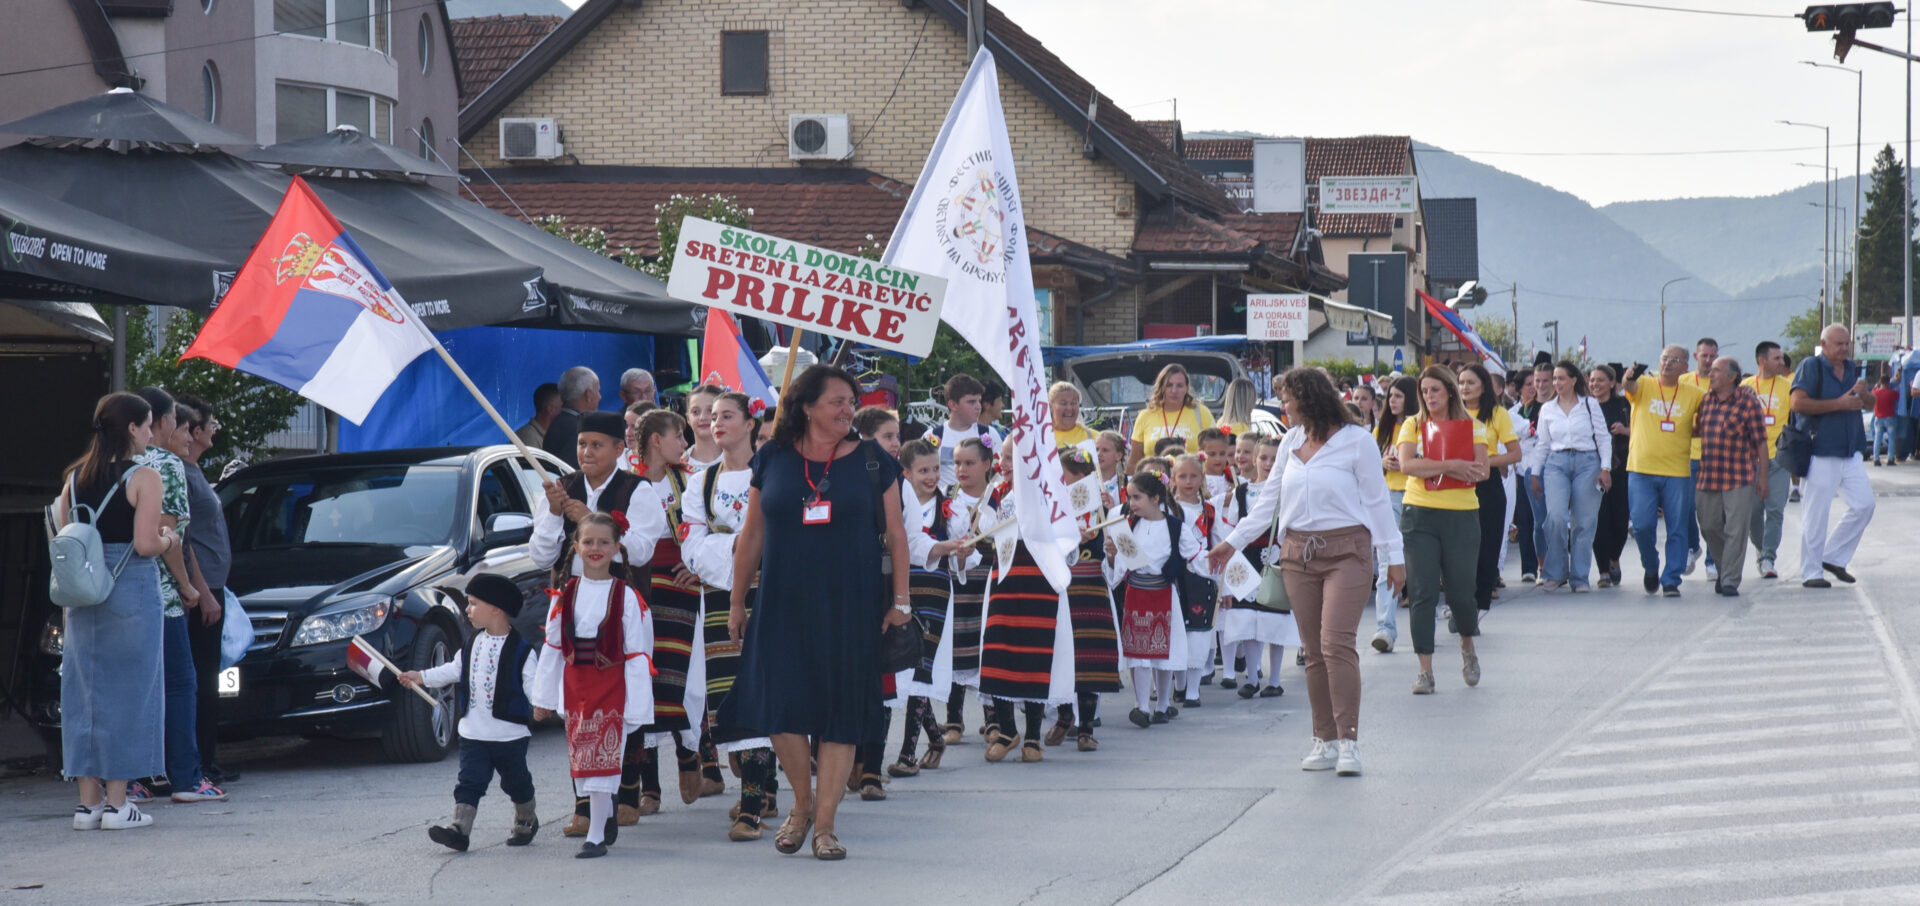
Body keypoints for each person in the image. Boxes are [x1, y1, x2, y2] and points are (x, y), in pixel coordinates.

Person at [722, 364, 911, 861]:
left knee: (841, 712)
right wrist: (737, 600)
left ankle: (825, 824)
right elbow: (752, 535)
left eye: (852, 401)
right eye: (838, 401)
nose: (849, 409)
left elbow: (896, 534)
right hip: (782, 600)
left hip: (851, 603)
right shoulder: (773, 457)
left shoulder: (873, 460)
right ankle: (801, 805)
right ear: (806, 407)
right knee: (781, 705)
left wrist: (901, 601)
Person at [1208, 368, 1402, 777]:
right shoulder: (1291, 441)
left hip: (1348, 551)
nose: (1283, 406)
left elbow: (1378, 502)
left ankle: (1349, 742)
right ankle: (1324, 740)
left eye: (1288, 398)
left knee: (1337, 644)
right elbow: (1267, 503)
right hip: (1296, 554)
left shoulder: (1357, 441)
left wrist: (1394, 557)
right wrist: (1232, 543)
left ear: (1309, 398)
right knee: (1313, 651)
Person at [530, 410, 666, 834]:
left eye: (597, 445)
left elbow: (641, 551)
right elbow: (540, 555)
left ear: (619, 449)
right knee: (580, 703)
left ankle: (626, 791)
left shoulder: (636, 489)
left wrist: (587, 517)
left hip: (620, 603)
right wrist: (555, 515)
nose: (587, 452)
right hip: (572, 606)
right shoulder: (560, 489)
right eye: (582, 444)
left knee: (621, 698)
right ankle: (584, 803)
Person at [55, 393, 173, 831]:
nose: (149, 433)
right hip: (130, 588)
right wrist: (169, 540)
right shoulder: (145, 477)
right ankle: (120, 804)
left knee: (84, 695)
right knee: (129, 692)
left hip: (83, 591)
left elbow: (69, 536)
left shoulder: (74, 478)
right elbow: (145, 544)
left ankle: (87, 806)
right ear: (131, 429)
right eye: (146, 425)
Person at [679, 392, 783, 841]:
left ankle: (754, 805)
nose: (716, 423)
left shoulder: (776, 473)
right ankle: (760, 789)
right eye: (711, 416)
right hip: (723, 594)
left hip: (777, 593)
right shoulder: (700, 483)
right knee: (731, 693)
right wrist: (740, 554)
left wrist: (758, 550)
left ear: (750, 423)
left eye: (727, 416)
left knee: (768, 689)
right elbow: (692, 545)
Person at [530, 513, 655, 859]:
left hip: (611, 685)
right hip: (576, 687)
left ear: (617, 548)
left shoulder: (626, 596)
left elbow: (636, 652)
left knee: (603, 760)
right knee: (584, 761)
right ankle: (606, 816)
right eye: (588, 542)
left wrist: (638, 703)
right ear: (576, 547)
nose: (595, 548)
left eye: (603, 542)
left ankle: (596, 834)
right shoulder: (564, 594)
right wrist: (543, 697)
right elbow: (554, 648)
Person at [130, 387, 224, 805]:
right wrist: (188, 586)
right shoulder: (166, 466)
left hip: (115, 595)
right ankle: (186, 776)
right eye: (174, 421)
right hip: (161, 596)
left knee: (130, 688)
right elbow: (170, 538)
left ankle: (128, 779)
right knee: (182, 685)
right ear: (161, 421)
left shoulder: (101, 465)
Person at [401, 574, 541, 852]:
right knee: (469, 781)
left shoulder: (522, 650)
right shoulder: (472, 643)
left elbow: (533, 685)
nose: (467, 609)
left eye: (474, 603)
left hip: (509, 735)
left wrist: (541, 705)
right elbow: (454, 670)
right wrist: (421, 676)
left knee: (516, 781)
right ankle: (459, 830)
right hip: (473, 732)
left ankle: (526, 818)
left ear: (497, 609)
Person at [628, 409, 706, 809]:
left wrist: (695, 566)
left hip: (679, 586)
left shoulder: (689, 482)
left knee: (675, 680)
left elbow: (704, 531)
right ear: (656, 440)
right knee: (642, 676)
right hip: (637, 587)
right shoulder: (625, 481)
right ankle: (649, 784)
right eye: (679, 435)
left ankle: (687, 750)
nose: (684, 443)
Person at [1394, 366, 1489, 696]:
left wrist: (1438, 465)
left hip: (1461, 515)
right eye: (1424, 391)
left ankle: (1467, 646)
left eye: (1435, 390)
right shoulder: (1413, 425)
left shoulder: (1472, 427)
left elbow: (1481, 471)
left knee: (1462, 592)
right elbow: (1407, 465)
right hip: (1418, 513)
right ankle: (1425, 670)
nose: (1429, 397)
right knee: (1422, 592)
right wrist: (1450, 465)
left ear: (1449, 391)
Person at [891, 438, 966, 774]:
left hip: (934, 588)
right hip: (901, 587)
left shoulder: (950, 508)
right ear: (905, 473)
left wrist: (960, 552)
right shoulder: (896, 504)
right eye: (923, 470)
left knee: (921, 664)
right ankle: (935, 738)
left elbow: (966, 555)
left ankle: (908, 754)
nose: (932, 476)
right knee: (905, 664)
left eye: (936, 468)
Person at [171, 395, 235, 786]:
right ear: (194, 431)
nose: (213, 432)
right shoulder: (178, 472)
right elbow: (184, 538)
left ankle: (205, 758)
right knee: (199, 680)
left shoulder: (194, 472)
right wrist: (202, 590)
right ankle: (197, 763)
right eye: (209, 425)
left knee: (208, 679)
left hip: (212, 586)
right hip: (201, 591)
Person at [1107, 471, 1197, 727]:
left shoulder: (1175, 526)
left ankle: (1163, 704)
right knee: (1139, 652)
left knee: (1162, 653)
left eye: (1137, 497)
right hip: (1137, 592)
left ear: (1155, 497)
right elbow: (1121, 567)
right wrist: (1112, 556)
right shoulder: (1129, 526)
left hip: (1163, 594)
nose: (1132, 503)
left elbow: (1195, 555)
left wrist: (1215, 569)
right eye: (1130, 497)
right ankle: (1142, 706)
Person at [1793, 325, 1877, 589]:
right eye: (1838, 344)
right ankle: (1811, 572)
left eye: (1846, 344)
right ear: (1824, 343)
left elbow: (1871, 405)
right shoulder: (1811, 367)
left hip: (1850, 450)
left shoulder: (1851, 368)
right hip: (1820, 450)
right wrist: (1838, 404)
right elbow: (1797, 403)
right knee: (1816, 514)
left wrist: (1864, 395)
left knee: (1864, 505)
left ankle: (1833, 556)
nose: (1843, 349)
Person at [1624, 347, 1705, 597]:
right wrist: (1629, 376)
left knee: (1677, 526)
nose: (1668, 364)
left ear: (1685, 366)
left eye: (1675, 360)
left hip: (1677, 470)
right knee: (1642, 526)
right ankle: (1651, 566)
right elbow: (1629, 387)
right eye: (1664, 359)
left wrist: (1686, 432)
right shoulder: (1645, 385)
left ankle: (1671, 578)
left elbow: (1702, 426)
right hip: (1641, 468)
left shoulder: (1696, 394)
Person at [1525, 363, 1612, 591]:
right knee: (1555, 517)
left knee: (1584, 521)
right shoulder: (1548, 409)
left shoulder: (1589, 404)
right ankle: (1556, 572)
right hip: (1556, 463)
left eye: (1561, 378)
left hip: (1587, 462)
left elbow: (1603, 437)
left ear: (1574, 380)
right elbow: (1542, 444)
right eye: (1554, 379)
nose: (1556, 383)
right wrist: (1535, 473)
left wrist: (1605, 468)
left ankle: (1580, 577)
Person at [1216, 435, 1292, 696]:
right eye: (1264, 458)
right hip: (1246, 557)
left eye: (1274, 458)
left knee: (1274, 618)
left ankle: (1274, 680)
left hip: (1274, 555)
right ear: (1254, 459)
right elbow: (1234, 526)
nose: (1269, 463)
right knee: (1247, 618)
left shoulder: (1286, 489)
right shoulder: (1241, 491)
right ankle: (1252, 676)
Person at [1056, 449, 1121, 751]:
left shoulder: (1104, 512)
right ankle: (1064, 714)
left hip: (1093, 588)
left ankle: (1086, 728)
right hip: (1064, 589)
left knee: (1089, 660)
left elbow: (1117, 562)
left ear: (1080, 479)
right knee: (1062, 656)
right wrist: (1070, 541)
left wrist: (1110, 553)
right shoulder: (1054, 511)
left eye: (1063, 475)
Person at [1693, 357, 1769, 597]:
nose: (1711, 373)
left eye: (1716, 370)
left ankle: (1729, 580)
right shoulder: (1706, 401)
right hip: (1709, 475)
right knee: (1708, 526)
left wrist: (1763, 477)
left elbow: (1761, 442)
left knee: (1736, 529)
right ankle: (1724, 566)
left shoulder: (1748, 402)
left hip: (1739, 476)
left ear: (1731, 377)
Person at [938, 437, 996, 746]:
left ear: (987, 465)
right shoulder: (947, 497)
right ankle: (953, 719)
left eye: (969, 463)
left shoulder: (998, 498)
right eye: (958, 462)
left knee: (986, 647)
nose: (961, 469)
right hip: (957, 583)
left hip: (988, 581)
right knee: (956, 648)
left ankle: (992, 719)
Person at [1459, 366, 1519, 615]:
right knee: (1460, 548)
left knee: (1487, 545)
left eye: (1470, 382)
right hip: (1456, 484)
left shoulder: (1497, 414)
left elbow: (1515, 453)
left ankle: (1478, 605)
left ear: (1483, 385)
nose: (1465, 387)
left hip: (1488, 483)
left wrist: (1485, 462)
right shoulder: (1452, 414)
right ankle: (1460, 602)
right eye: (1461, 382)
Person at [1168, 454, 1222, 708]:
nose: (1188, 481)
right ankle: (1178, 685)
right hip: (1176, 575)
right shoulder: (1169, 510)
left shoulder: (1209, 510)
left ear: (1202, 478)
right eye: (1182, 476)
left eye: (1193, 476)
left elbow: (1220, 543)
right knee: (1177, 630)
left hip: (1202, 577)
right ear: (1173, 479)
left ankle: (1192, 690)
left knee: (1199, 632)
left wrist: (1225, 584)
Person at [1370, 376, 1419, 652]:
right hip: (1388, 498)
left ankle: (1426, 622)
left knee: (1419, 566)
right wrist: (1382, 462)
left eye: (1398, 396)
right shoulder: (1383, 429)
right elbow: (1368, 463)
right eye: (1390, 396)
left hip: (1417, 498)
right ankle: (1385, 628)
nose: (1392, 401)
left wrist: (1408, 463)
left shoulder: (1421, 426)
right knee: (1386, 565)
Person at [1742, 343, 1792, 580]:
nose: (1781, 362)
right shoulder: (1745, 387)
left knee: (1775, 510)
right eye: (1776, 358)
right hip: (1750, 460)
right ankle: (1760, 547)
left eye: (1780, 358)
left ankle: (1768, 557)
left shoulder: (1788, 387)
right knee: (1752, 512)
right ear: (1762, 360)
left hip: (1779, 458)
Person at [1678, 338, 1719, 579]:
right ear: (1695, 356)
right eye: (1704, 355)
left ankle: (1713, 560)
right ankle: (1693, 546)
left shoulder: (1721, 381)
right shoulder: (1683, 381)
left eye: (1713, 355)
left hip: (1714, 455)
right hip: (1688, 454)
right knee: (1686, 507)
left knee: (1712, 512)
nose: (1709, 360)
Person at [1127, 363, 1216, 472]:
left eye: (1179, 385)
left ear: (1187, 388)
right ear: (1161, 387)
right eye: (1169, 385)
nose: (1174, 391)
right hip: (1153, 483)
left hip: (1190, 481)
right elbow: (1134, 462)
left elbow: (1215, 453)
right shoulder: (1145, 416)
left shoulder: (1201, 412)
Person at [1589, 365, 1632, 587]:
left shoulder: (1624, 405)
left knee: (1620, 519)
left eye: (1601, 380)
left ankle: (1615, 557)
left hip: (1622, 468)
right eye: (1592, 380)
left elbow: (1644, 431)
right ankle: (1603, 570)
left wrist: (1625, 430)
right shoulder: (1585, 406)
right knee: (1600, 520)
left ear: (1613, 382)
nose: (1595, 384)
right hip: (1594, 470)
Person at [931, 374, 993, 489]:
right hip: (945, 504)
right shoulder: (932, 437)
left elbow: (997, 475)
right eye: (971, 402)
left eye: (979, 401)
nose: (978, 406)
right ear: (953, 405)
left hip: (979, 504)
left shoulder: (988, 434)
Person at [543, 366, 602, 469]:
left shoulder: (557, 422)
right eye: (598, 391)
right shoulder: (581, 429)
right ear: (588, 395)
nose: (600, 397)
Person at [685, 384, 726, 472]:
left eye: (710, 410)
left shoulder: (739, 462)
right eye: (695, 412)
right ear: (688, 418)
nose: (703, 417)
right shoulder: (678, 465)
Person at [1048, 382, 1097, 454]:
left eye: (1073, 403)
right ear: (1051, 406)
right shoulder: (1041, 438)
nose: (1069, 408)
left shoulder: (1094, 437)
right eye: (1063, 403)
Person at [518, 382, 561, 450]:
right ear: (551, 409)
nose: (565, 411)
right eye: (563, 406)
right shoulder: (528, 437)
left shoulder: (552, 435)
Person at [1095, 430, 1128, 503]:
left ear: (1118, 455)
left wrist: (1112, 510)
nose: (1099, 454)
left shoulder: (1127, 483)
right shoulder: (1089, 482)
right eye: (1097, 449)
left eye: (1105, 450)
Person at [1872, 376, 1899, 466]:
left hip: (1878, 417)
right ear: (1888, 383)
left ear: (1880, 382)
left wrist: (1877, 386)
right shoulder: (1892, 393)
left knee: (1877, 439)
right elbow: (1899, 398)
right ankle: (1890, 459)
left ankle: (1876, 459)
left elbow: (1872, 393)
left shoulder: (1875, 392)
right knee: (1891, 439)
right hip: (1890, 417)